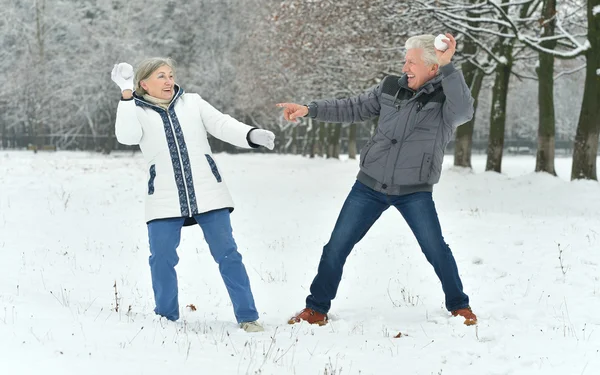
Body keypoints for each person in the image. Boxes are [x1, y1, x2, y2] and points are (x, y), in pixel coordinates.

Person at [278, 33, 478, 326]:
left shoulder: (446, 99)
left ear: (432, 68)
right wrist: (311, 109)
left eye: (412, 61)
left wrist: (448, 66)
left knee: (435, 248)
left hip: (414, 191)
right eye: (405, 60)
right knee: (337, 246)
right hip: (369, 186)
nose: (405, 66)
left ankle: (459, 306)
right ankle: (316, 309)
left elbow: (465, 111)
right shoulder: (389, 88)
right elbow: (352, 107)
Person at [111, 57, 274, 332]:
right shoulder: (135, 109)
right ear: (144, 83)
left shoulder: (193, 102)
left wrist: (251, 134)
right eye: (160, 76)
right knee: (161, 258)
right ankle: (166, 317)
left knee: (228, 254)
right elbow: (126, 136)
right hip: (163, 197)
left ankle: (248, 317)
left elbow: (222, 124)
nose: (168, 80)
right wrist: (126, 94)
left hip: (208, 192)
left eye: (170, 75)